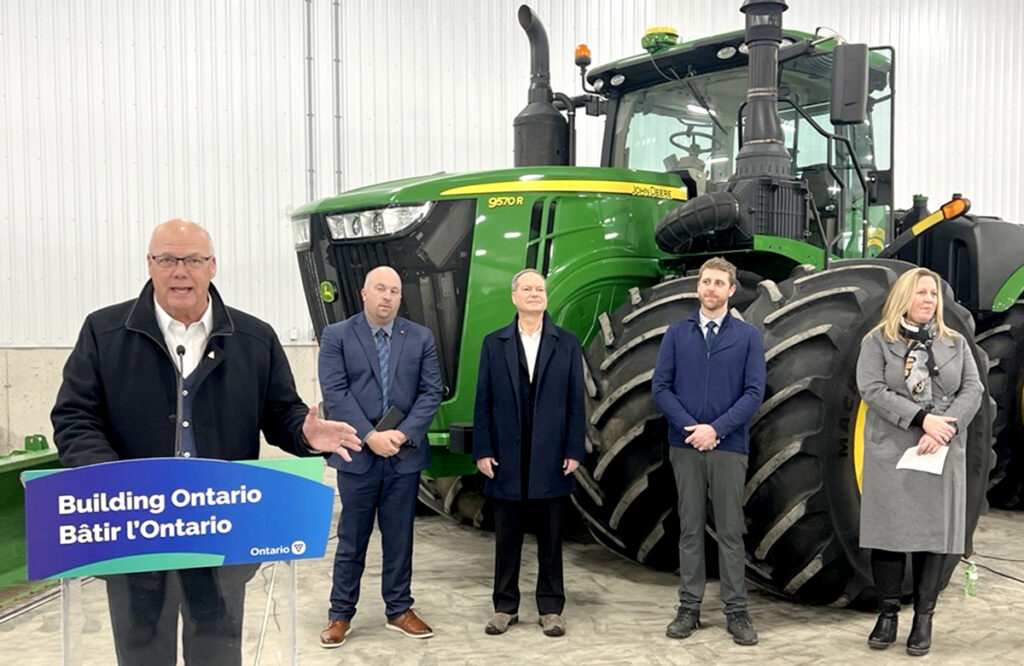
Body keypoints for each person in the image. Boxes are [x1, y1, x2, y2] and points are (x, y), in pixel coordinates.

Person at [51, 219, 362, 666]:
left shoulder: (254, 339)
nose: (181, 271)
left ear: (212, 266)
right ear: (149, 264)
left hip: (221, 534)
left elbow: (281, 414)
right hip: (136, 533)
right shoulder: (103, 333)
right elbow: (74, 417)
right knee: (142, 656)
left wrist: (305, 432)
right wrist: (111, 479)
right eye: (167, 259)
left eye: (193, 260)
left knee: (216, 655)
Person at [856, 267, 983, 657]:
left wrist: (943, 426)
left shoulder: (955, 343)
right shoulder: (877, 341)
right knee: (890, 534)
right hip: (893, 448)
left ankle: (923, 619)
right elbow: (871, 388)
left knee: (933, 536)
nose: (928, 300)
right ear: (903, 298)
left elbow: (972, 387)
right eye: (921, 293)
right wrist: (919, 419)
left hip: (941, 447)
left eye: (933, 294)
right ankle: (888, 614)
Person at [317, 266, 443, 648]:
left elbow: (431, 391)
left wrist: (402, 434)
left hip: (402, 456)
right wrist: (370, 436)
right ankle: (340, 614)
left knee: (399, 537)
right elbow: (335, 392)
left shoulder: (420, 337)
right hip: (357, 454)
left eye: (394, 291)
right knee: (352, 540)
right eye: (380, 289)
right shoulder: (337, 335)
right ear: (364, 294)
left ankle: (399, 609)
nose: (387, 296)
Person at [652, 257, 765, 646]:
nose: (711, 289)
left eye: (719, 283)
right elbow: (661, 388)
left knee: (731, 531)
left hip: (729, 446)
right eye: (706, 282)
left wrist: (716, 429)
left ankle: (737, 611)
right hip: (685, 446)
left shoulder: (748, 337)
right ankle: (689, 608)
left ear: (731, 290)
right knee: (689, 528)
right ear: (697, 288)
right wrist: (692, 429)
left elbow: (754, 392)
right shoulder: (676, 334)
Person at [473, 268, 585, 638]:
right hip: (505, 458)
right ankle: (505, 607)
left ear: (546, 297)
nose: (534, 293)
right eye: (527, 288)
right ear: (514, 297)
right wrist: (483, 449)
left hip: (552, 458)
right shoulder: (494, 344)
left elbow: (575, 403)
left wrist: (574, 448)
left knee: (551, 539)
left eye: (540, 289)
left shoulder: (566, 343)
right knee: (507, 539)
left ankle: (551, 609)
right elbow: (483, 402)